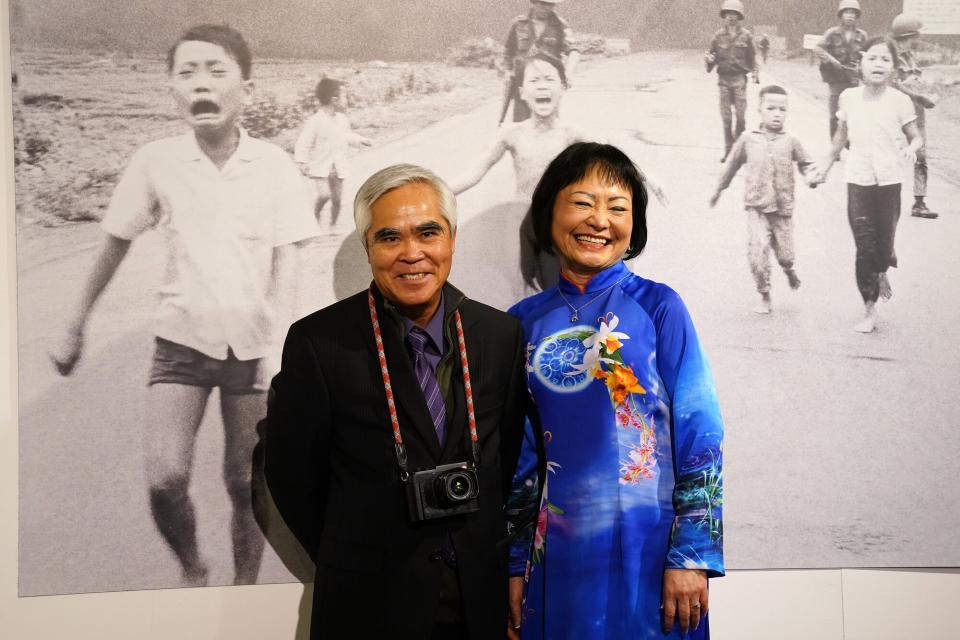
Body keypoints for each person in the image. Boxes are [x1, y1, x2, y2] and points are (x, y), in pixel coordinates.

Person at [48, 24, 317, 585]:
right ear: (171, 87)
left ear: (246, 84)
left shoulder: (274, 167)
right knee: (164, 479)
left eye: (216, 70)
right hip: (181, 343)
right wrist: (74, 324)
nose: (201, 83)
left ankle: (244, 587)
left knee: (246, 484)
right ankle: (193, 567)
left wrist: (281, 352)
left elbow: (290, 262)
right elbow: (115, 242)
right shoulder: (156, 161)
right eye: (187, 71)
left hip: (254, 351)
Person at [263, 164, 531, 639]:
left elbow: (504, 459)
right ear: (368, 247)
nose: (412, 254)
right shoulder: (320, 343)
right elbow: (291, 477)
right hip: (369, 606)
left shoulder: (499, 335)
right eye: (390, 238)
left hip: (478, 603)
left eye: (428, 232)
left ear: (451, 237)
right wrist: (360, 549)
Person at [505, 143, 724, 639]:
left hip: (653, 557)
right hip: (555, 557)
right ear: (550, 213)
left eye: (617, 207)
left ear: (634, 224)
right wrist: (515, 565)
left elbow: (701, 433)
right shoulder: (521, 324)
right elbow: (517, 459)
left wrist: (691, 555)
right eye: (582, 202)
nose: (599, 219)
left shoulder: (661, 307)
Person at [815, 37, 923, 333]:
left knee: (884, 244)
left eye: (885, 59)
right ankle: (869, 308)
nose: (878, 64)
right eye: (873, 58)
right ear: (861, 64)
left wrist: (912, 147)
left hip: (889, 181)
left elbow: (916, 135)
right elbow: (839, 138)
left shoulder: (900, 101)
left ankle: (882, 269)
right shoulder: (848, 98)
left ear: (893, 68)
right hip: (858, 179)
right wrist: (824, 166)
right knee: (865, 245)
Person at [710, 85, 817, 314]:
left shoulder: (791, 141)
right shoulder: (748, 139)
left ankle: (789, 270)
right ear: (759, 110)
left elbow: (807, 163)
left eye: (782, 109)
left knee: (786, 255)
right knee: (758, 253)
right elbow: (730, 165)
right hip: (756, 207)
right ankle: (765, 294)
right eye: (771, 108)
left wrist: (811, 176)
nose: (777, 113)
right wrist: (718, 189)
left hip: (782, 209)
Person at [294, 77, 373, 228]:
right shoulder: (315, 121)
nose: (346, 100)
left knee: (337, 200)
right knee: (324, 195)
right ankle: (314, 216)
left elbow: (346, 136)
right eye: (344, 97)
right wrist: (302, 162)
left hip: (338, 166)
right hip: (320, 166)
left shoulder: (342, 120)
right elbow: (304, 143)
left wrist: (360, 140)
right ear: (334, 100)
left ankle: (333, 226)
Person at [890, 13, 939, 220]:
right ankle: (886, 201)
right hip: (897, 115)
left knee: (921, 158)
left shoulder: (911, 57)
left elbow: (916, 81)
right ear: (907, 35)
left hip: (917, 115)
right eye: (915, 35)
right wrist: (920, 96)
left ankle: (919, 202)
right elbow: (894, 85)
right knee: (892, 157)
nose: (917, 39)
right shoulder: (891, 57)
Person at [502, 0, 580, 123]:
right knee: (521, 124)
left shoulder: (559, 25)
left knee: (548, 122)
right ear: (533, 2)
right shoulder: (519, 24)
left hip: (548, 83)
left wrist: (568, 74)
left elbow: (573, 51)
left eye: (550, 5)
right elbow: (508, 51)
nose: (547, 8)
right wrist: (507, 71)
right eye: (543, 4)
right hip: (524, 82)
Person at [705, 0, 758, 162]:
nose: (731, 17)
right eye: (728, 14)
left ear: (739, 16)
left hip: (739, 80)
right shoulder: (718, 36)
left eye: (734, 14)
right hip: (724, 80)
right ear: (724, 16)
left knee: (741, 118)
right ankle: (729, 151)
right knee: (726, 118)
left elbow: (753, 58)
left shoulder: (746, 36)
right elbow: (711, 59)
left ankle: (738, 149)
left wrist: (755, 72)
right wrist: (708, 59)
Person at [814, 0, 868, 142]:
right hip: (835, 78)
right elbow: (818, 48)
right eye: (847, 12)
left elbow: (867, 55)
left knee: (852, 110)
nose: (850, 16)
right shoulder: (832, 33)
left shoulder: (862, 35)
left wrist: (862, 68)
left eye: (853, 13)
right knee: (834, 113)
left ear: (857, 16)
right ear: (841, 15)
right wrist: (833, 61)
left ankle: (848, 142)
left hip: (853, 78)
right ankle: (834, 145)